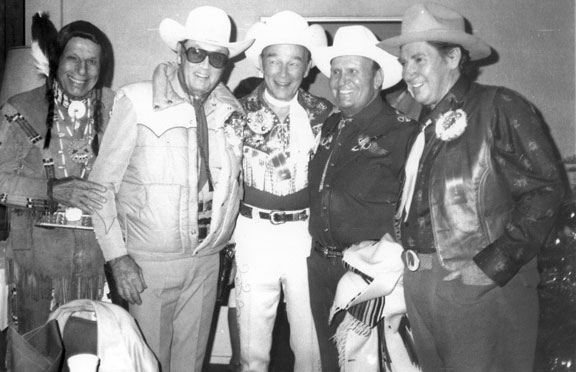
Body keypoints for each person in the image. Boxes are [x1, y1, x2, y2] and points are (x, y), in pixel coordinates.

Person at [379, 3, 569, 371]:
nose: (408, 73)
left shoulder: (499, 106)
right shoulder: (424, 124)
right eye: (404, 63)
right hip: (421, 284)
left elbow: (547, 190)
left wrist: (490, 266)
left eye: (418, 60)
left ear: (452, 58)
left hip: (478, 287)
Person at [88, 6, 253, 372]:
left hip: (207, 260)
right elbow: (100, 188)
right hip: (149, 264)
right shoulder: (136, 100)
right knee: (149, 363)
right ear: (179, 52)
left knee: (190, 364)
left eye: (217, 57)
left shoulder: (230, 110)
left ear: (226, 64)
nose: (204, 65)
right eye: (196, 53)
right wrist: (117, 257)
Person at [0, 14, 114, 335]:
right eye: (73, 59)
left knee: (89, 355)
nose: (82, 71)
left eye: (92, 62)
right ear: (55, 61)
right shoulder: (21, 108)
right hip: (37, 263)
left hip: (98, 261)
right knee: (36, 354)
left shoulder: (114, 107)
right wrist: (51, 190)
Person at [307, 25, 418, 372]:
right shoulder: (331, 125)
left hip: (369, 272)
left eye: (353, 71)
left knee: (368, 362)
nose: (341, 81)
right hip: (321, 267)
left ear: (378, 77)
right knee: (331, 360)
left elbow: (415, 212)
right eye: (336, 72)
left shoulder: (405, 133)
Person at [228, 10, 333, 372]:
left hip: (306, 234)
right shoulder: (234, 114)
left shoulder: (326, 115)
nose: (284, 74)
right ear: (260, 63)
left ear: (308, 69)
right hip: (253, 233)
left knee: (310, 344)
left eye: (294, 63)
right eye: (275, 61)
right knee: (252, 346)